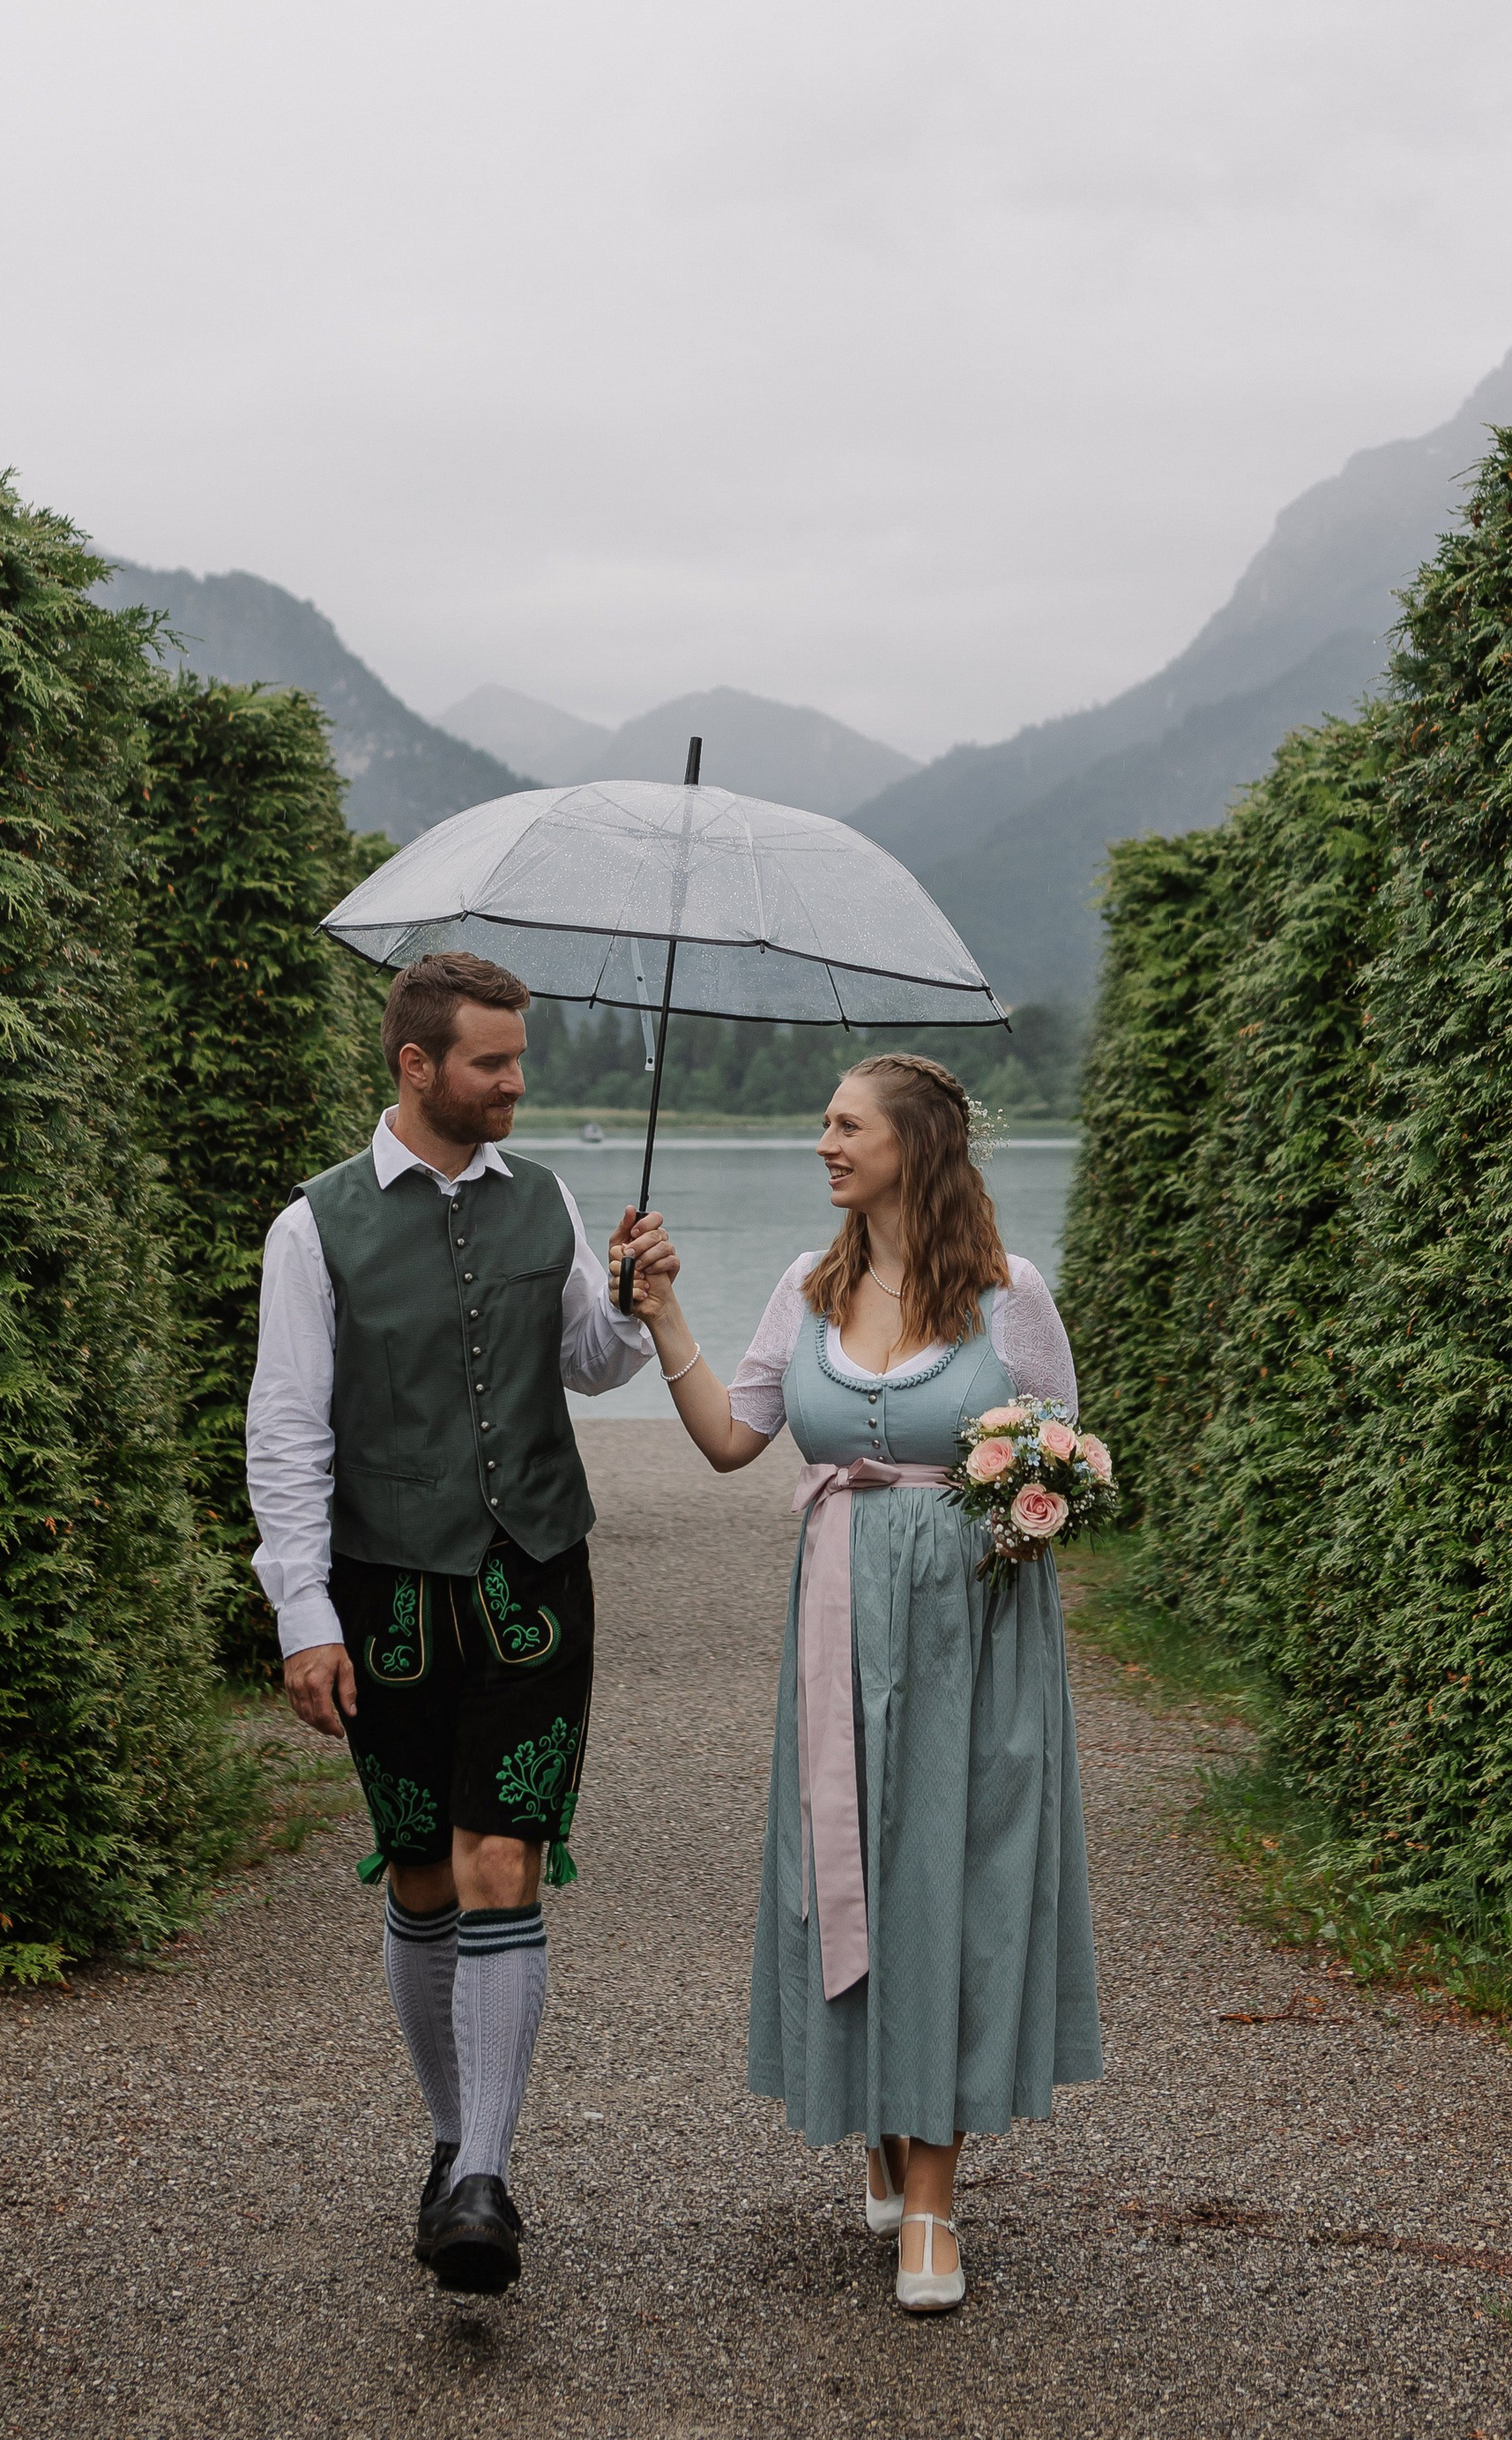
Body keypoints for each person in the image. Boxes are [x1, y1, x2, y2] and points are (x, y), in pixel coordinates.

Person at [627, 1052, 1101, 2316]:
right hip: (837, 1625)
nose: (824, 1142)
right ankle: (888, 2133)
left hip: (978, 1642)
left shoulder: (1013, 1296)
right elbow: (736, 1440)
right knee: (846, 1871)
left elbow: (1064, 1455)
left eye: (846, 1126)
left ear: (915, 1146)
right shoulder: (805, 1284)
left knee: (955, 1884)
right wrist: (663, 1312)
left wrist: (1016, 1515)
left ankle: (935, 2204)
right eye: (826, 1124)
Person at [243, 949, 668, 2294]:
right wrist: (302, 1613)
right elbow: (286, 1432)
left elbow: (587, 1366)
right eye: (493, 1062)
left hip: (534, 1583)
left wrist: (633, 1298)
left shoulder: (543, 1195)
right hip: (387, 1594)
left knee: (503, 1858)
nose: (516, 1083)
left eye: (518, 1058)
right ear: (418, 1065)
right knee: (422, 1868)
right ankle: (450, 2141)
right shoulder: (314, 1227)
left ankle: (484, 2174)